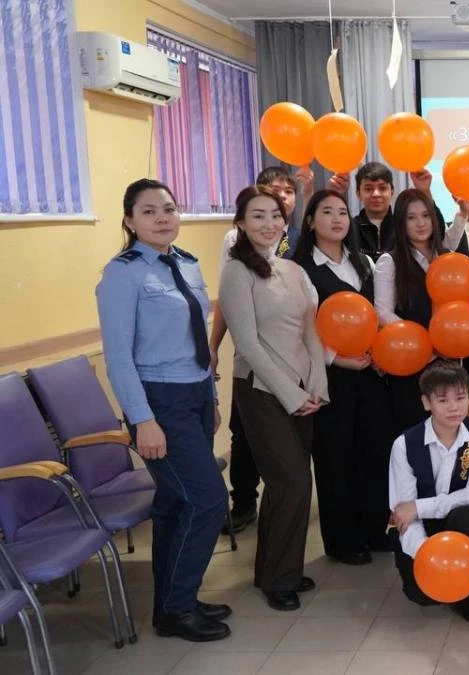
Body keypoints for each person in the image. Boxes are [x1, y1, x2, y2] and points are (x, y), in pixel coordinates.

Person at [97, 179, 231, 642]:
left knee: (175, 504)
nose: (162, 218)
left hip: (195, 396)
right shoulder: (122, 274)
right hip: (159, 402)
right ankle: (177, 607)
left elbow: (199, 344)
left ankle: (174, 603)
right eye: (149, 211)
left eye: (169, 209)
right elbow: (118, 358)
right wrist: (143, 420)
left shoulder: (187, 264)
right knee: (208, 499)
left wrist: (212, 399)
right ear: (129, 220)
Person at [220, 185, 328, 612]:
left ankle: (278, 569)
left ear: (286, 222)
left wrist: (316, 386)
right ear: (241, 223)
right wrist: (291, 395)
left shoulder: (292, 269)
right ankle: (278, 579)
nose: (268, 224)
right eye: (258, 215)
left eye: (275, 216)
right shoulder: (236, 271)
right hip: (262, 390)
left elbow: (311, 330)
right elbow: (247, 343)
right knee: (291, 481)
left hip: (302, 389)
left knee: (295, 484)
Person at [292, 190, 393, 565]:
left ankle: (375, 529)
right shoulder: (300, 268)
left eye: (342, 212)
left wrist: (380, 354)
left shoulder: (362, 261)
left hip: (370, 373)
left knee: (374, 451)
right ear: (310, 221)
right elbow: (299, 329)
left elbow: (375, 316)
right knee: (336, 456)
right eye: (327, 212)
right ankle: (342, 540)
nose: (337, 219)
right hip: (329, 376)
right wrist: (337, 359)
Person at [212, 166, 311, 534]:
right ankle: (244, 502)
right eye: (271, 192)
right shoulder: (237, 254)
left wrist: (314, 380)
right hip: (258, 372)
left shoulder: (294, 246)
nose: (270, 218)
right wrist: (213, 346)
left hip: (296, 366)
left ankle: (282, 550)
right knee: (250, 441)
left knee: (292, 473)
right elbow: (232, 309)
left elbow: (309, 315)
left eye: (287, 193)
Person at [388, 360, 469, 622]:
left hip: (458, 523)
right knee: (423, 595)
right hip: (421, 527)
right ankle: (446, 583)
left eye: (460, 398)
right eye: (443, 400)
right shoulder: (404, 445)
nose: (454, 407)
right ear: (427, 403)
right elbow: (403, 512)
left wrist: (419, 507)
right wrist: (430, 557)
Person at [375, 189, 449, 434]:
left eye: (426, 216)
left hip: (447, 362)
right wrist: (422, 341)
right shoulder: (390, 261)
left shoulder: (447, 258)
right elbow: (382, 312)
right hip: (409, 361)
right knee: (414, 435)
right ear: (400, 223)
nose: (420, 223)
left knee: (447, 433)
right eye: (411, 217)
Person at [348, 162, 396, 259]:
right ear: (358, 194)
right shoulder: (349, 227)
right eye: (368, 189)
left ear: (392, 192)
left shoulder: (403, 226)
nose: (376, 194)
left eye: (382, 188)